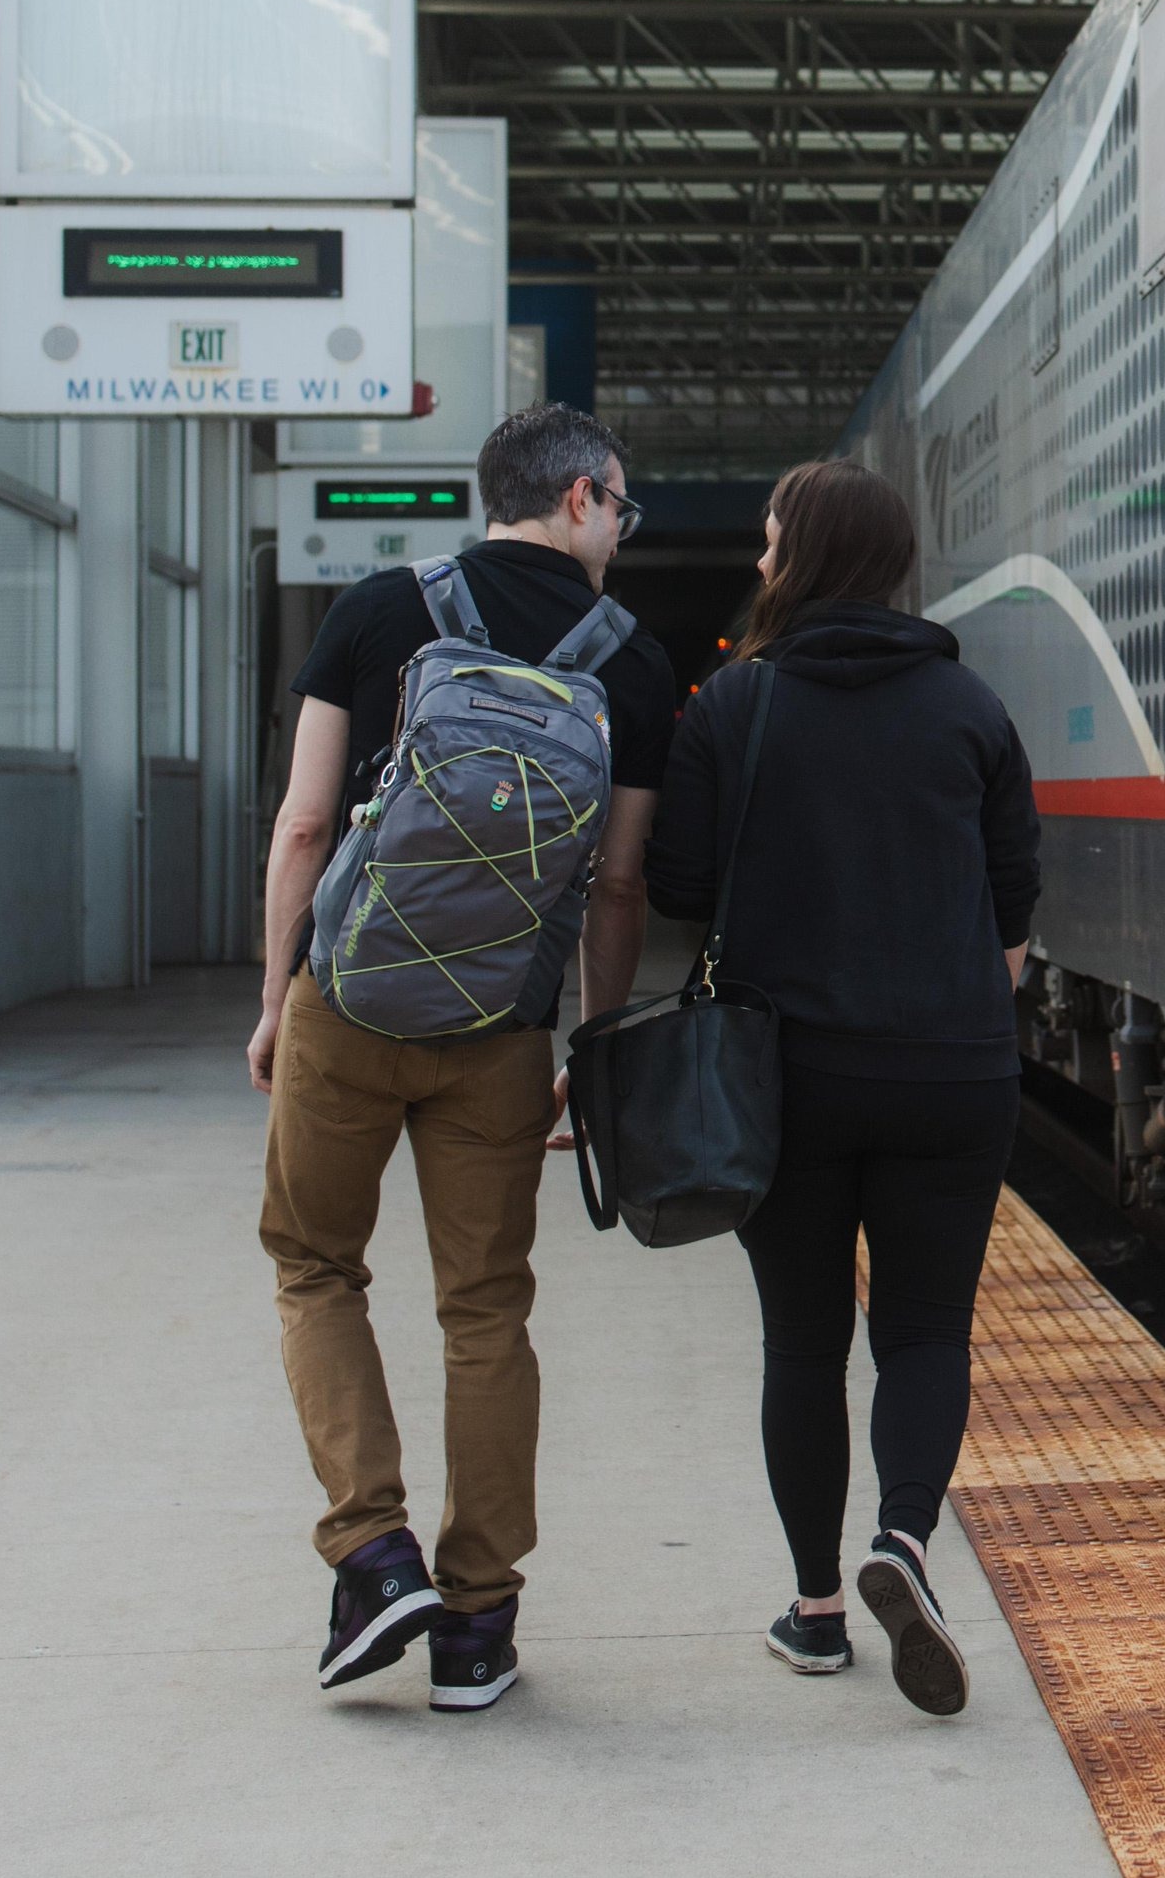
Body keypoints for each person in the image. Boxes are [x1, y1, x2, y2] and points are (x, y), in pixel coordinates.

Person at [251, 404, 677, 1714]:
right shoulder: (637, 664)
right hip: (499, 1028)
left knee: (317, 1262)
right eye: (622, 507)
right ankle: (479, 1623)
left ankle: (373, 1552)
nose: (622, 527)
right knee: (485, 1308)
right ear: (584, 500)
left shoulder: (381, 608)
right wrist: (592, 1048)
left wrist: (278, 995)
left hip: (354, 1000)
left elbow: (309, 819)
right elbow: (617, 889)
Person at [646, 457, 1040, 1715]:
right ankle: (905, 1542)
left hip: (789, 1080)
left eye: (769, 541)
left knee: (802, 1341)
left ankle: (817, 1610)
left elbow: (679, 893)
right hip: (949, 1073)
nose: (758, 560)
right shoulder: (971, 709)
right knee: (925, 1330)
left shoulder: (732, 704)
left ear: (800, 557)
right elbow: (1014, 921)